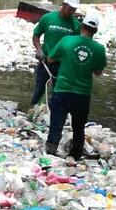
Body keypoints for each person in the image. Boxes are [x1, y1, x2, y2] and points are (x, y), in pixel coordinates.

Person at [46, 13, 107, 159]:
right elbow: (98, 72)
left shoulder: (67, 40)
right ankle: (76, 153)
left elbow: (50, 58)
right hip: (82, 94)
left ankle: (51, 151)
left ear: (81, 26)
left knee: (57, 122)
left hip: (62, 90)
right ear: (95, 31)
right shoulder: (99, 49)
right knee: (79, 126)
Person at [30, 0, 81, 106]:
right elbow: (36, 36)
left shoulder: (76, 25)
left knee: (58, 94)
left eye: (74, 9)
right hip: (45, 61)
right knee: (39, 90)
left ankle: (52, 117)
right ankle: (31, 111)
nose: (72, 11)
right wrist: (39, 50)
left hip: (63, 65)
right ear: (63, 4)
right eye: (70, 8)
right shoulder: (48, 18)